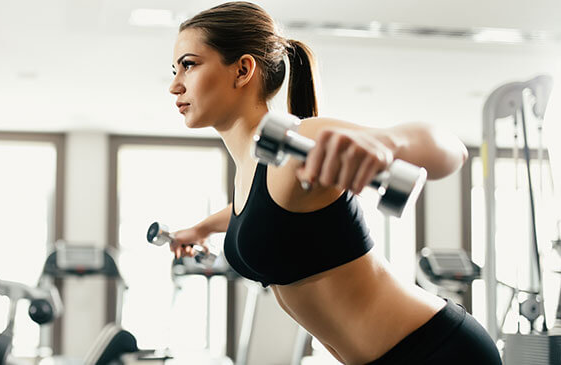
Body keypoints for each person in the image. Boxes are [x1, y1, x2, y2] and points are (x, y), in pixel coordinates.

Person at [166, 2, 500, 364]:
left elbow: (450, 150)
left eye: (189, 64)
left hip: (435, 349)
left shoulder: (299, 137)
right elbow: (254, 212)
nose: (174, 85)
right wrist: (200, 228)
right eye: (174, 70)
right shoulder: (252, 167)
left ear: (243, 69)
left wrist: (390, 143)